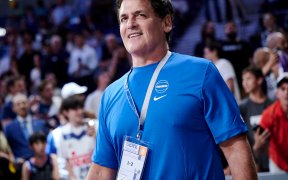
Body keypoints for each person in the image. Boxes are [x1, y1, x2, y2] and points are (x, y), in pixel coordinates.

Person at [87, 0, 257, 179]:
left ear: (166, 23)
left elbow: (236, 150)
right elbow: (101, 170)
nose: (130, 24)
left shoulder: (201, 73)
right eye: (124, 18)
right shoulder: (110, 95)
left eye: (141, 15)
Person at [47, 96, 96, 180]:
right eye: (75, 109)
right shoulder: (58, 134)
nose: (80, 111)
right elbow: (65, 160)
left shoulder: (94, 125)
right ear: (66, 112)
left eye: (81, 108)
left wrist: (96, 136)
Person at [239, 67, 273, 172]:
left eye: (248, 79)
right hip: (254, 163)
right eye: (243, 80)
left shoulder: (273, 105)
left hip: (274, 161)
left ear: (259, 80)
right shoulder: (241, 107)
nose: (245, 83)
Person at [4, 93, 48, 162]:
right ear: (13, 108)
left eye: (24, 103)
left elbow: (46, 142)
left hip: (42, 163)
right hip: (20, 165)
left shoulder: (41, 123)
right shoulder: (9, 128)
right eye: (18, 104)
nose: (22, 106)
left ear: (29, 104)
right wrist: (15, 160)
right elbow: (7, 149)